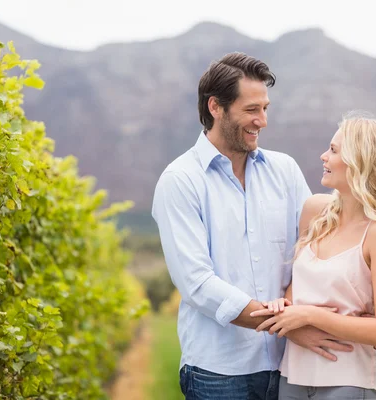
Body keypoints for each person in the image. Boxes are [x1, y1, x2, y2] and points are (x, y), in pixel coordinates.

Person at [151, 52, 354, 400]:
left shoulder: (284, 170)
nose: (262, 121)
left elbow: (310, 250)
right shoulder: (180, 181)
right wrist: (287, 327)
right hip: (218, 373)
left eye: (265, 108)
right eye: (251, 110)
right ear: (215, 107)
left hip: (290, 365)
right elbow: (197, 283)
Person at [251, 112, 376, 399]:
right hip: (291, 376)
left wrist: (309, 315)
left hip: (349, 382)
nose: (323, 156)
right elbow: (301, 284)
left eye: (333, 150)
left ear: (361, 161)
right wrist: (286, 304)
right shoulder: (314, 211)